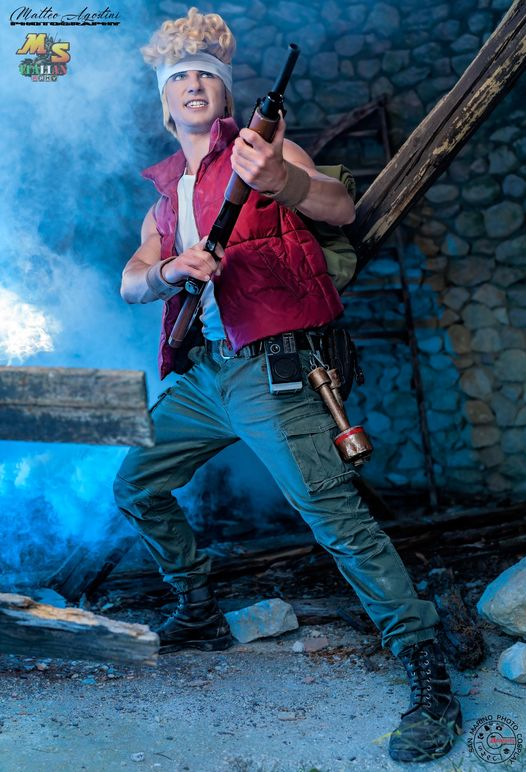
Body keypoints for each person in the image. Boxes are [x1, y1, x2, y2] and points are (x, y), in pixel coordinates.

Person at [113, 7, 462, 763]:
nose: (195, 83)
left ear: (225, 91)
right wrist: (169, 268)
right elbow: (132, 281)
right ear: (165, 102)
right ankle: (198, 605)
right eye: (181, 77)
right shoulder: (164, 195)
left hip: (271, 369)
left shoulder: (264, 150)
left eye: (207, 74)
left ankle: (426, 666)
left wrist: (281, 180)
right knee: (135, 484)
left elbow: (339, 205)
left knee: (335, 518)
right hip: (204, 376)